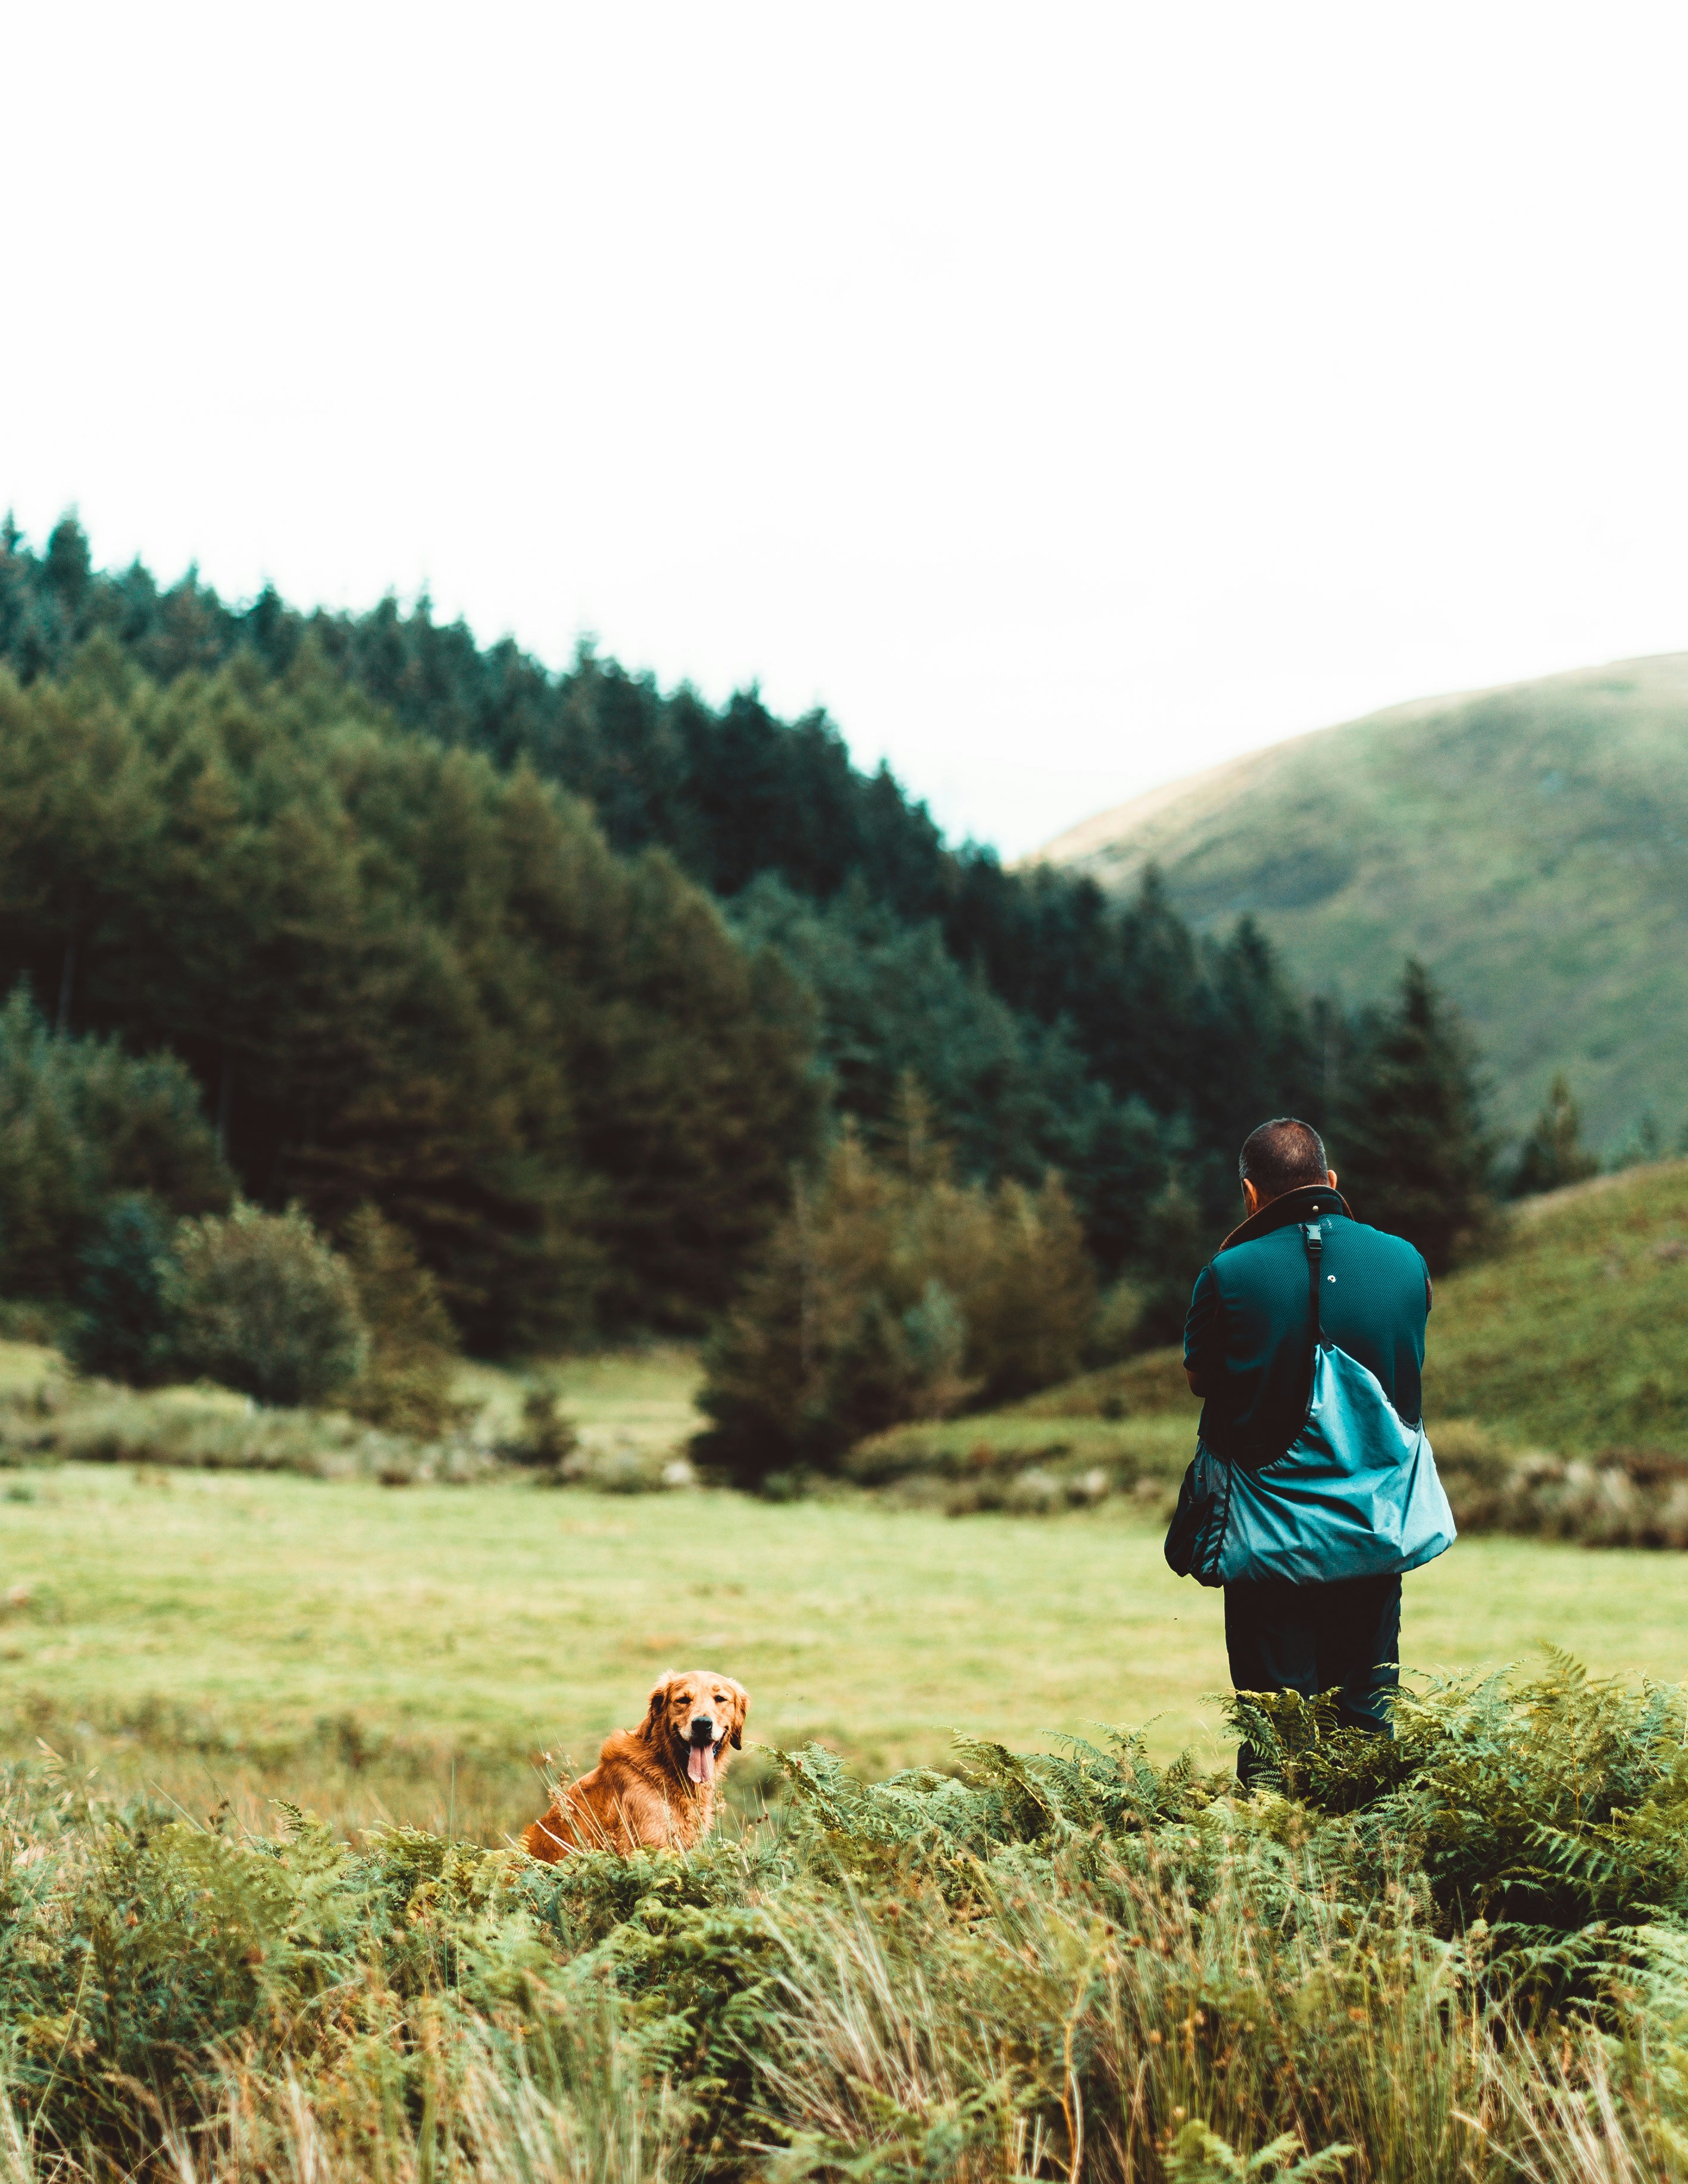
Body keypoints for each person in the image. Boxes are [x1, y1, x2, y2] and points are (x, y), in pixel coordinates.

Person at [1181, 1116, 1434, 1782]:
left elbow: (1200, 1378)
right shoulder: (1406, 1262)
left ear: (1249, 1193)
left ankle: (1278, 1872)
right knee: (1366, 1722)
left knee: (1273, 1736)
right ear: (1330, 1182)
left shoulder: (1226, 1274)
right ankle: (1367, 1869)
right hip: (1373, 1536)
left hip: (1268, 1549)